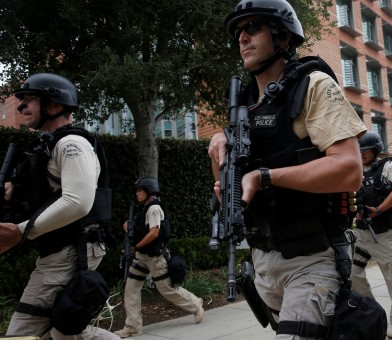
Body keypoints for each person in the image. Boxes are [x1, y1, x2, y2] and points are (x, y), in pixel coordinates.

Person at [207, 0, 366, 337]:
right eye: (238, 31)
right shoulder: (245, 104)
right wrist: (220, 155)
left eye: (253, 28)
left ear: (281, 36)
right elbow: (231, 194)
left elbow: (350, 170)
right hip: (265, 262)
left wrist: (265, 177)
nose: (242, 38)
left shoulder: (313, 85)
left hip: (312, 259)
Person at [0, 73, 118, 339]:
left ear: (53, 105)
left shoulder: (71, 143)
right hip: (63, 247)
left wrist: (20, 230)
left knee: (22, 332)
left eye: (29, 99)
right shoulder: (48, 146)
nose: (21, 107)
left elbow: (78, 202)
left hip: (71, 248)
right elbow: (46, 192)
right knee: (64, 331)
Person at [114, 177, 204, 338]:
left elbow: (154, 233)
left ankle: (195, 304)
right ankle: (133, 327)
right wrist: (129, 227)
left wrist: (136, 246)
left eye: (140, 190)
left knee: (166, 289)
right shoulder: (144, 208)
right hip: (141, 257)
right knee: (131, 289)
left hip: (154, 257)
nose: (137, 193)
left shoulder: (154, 208)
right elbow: (141, 230)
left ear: (149, 191)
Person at [353, 131, 392, 339]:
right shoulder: (356, 169)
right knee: (352, 272)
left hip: (384, 234)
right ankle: (372, 313)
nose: (362, 154)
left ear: (376, 150)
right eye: (359, 151)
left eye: (365, 150)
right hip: (361, 233)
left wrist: (379, 209)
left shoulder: (388, 166)